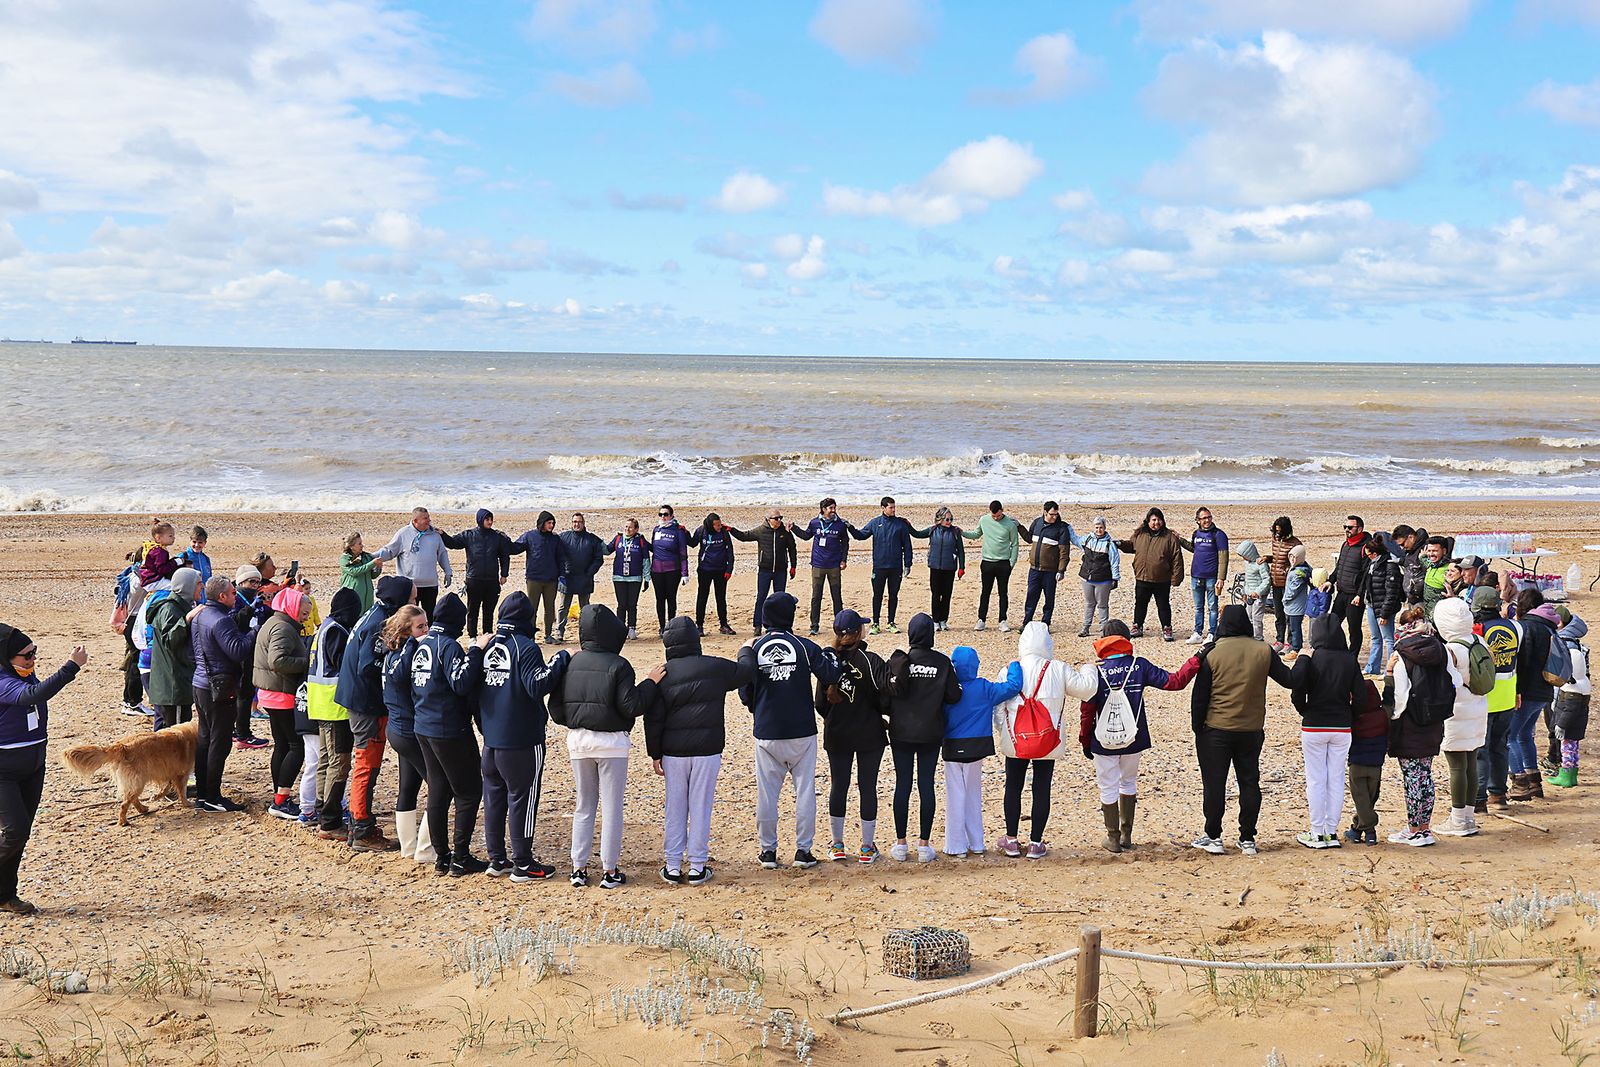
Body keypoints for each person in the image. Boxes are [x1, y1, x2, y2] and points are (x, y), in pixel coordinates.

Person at [640, 615, 751, 884]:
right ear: (694, 640)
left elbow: (652, 718)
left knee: (675, 807)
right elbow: (746, 671)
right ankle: (698, 866)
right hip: (708, 750)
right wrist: (746, 648)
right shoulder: (714, 667)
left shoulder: (662, 675)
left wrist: (654, 753)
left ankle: (673, 865)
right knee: (701, 806)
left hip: (673, 752)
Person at [549, 604, 652, 889]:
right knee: (611, 808)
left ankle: (578, 869)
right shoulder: (619, 665)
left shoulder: (571, 662)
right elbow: (632, 705)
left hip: (579, 743)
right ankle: (609, 870)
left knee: (584, 805)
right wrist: (650, 684)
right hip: (612, 744)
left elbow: (556, 710)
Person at [737, 592, 841, 870]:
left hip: (768, 730)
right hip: (801, 730)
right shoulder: (803, 646)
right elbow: (831, 674)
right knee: (805, 791)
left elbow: (744, 692)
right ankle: (803, 850)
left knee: (767, 795)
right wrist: (830, 653)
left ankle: (768, 851)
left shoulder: (756, 648)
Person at [1081, 620, 1198, 853]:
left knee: (1108, 786)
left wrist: (1085, 740)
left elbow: (1087, 711)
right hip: (1134, 736)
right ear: (1127, 640)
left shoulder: (1095, 671)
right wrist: (1197, 659)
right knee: (1128, 782)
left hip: (1103, 739)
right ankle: (1126, 835)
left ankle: (1112, 838)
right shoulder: (1139, 665)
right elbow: (1175, 682)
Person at [479, 592, 570, 881]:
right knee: (523, 799)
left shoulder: (489, 645)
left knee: (494, 799)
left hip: (492, 739)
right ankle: (523, 862)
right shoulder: (524, 646)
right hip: (521, 740)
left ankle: (497, 859)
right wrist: (560, 660)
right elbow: (536, 685)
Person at [1190, 604, 1293, 855]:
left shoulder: (1213, 652)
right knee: (1249, 782)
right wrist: (1306, 664)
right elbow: (1289, 680)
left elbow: (1199, 697)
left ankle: (1213, 835)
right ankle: (1247, 837)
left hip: (1216, 728)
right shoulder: (1263, 650)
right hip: (1251, 729)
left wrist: (1197, 728)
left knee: (1215, 784)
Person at [0, 624, 86, 914]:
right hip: (4, 771)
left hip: (33, 766)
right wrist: (70, 668)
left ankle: (5, 895)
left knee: (22, 835)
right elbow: (30, 696)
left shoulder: (21, 672)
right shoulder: (2, 680)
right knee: (15, 830)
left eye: (34, 653)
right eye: (26, 656)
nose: (33, 659)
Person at [995, 622, 1096, 858]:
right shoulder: (1057, 668)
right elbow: (1087, 689)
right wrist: (1090, 667)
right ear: (1047, 643)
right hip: (1047, 739)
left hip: (1016, 738)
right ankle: (1035, 843)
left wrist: (1004, 730)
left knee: (1013, 786)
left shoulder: (1011, 668)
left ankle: (1011, 839)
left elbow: (999, 708)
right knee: (1041, 787)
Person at [333, 574, 416, 850]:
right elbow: (368, 666)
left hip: (359, 699)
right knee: (367, 763)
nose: (415, 601)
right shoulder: (379, 624)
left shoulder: (376, 612)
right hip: (365, 704)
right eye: (412, 598)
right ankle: (362, 828)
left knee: (366, 762)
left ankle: (360, 822)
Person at [411, 593, 487, 877]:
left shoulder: (423, 644)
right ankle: (461, 857)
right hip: (448, 729)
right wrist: (476, 652)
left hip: (423, 726)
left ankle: (442, 856)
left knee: (439, 790)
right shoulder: (448, 646)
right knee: (468, 791)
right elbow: (461, 683)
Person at [883, 613, 961, 862]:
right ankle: (924, 845)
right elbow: (953, 696)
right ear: (931, 635)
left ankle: (901, 843)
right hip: (930, 732)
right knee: (926, 784)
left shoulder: (899, 661)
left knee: (902, 784)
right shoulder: (941, 662)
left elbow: (886, 697)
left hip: (902, 732)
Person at [814, 609, 888, 863]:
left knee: (839, 786)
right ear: (858, 632)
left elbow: (820, 703)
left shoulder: (827, 661)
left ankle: (837, 844)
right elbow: (885, 698)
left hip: (838, 732)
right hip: (869, 732)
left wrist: (835, 716)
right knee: (867, 787)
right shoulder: (871, 660)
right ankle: (867, 847)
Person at [1288, 615, 1363, 848]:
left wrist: (1306, 711)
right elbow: (1361, 697)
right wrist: (1350, 716)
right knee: (1336, 779)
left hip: (1314, 725)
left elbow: (1297, 692)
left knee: (1316, 779)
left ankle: (1317, 831)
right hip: (1341, 726)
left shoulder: (1312, 659)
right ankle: (1331, 832)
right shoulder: (1349, 660)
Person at [942, 645, 1021, 857]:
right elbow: (1013, 686)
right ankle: (976, 843)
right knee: (973, 795)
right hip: (976, 747)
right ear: (976, 666)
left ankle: (956, 845)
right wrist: (1014, 665)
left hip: (951, 747)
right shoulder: (984, 688)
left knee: (955, 796)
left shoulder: (949, 689)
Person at [1387, 606, 1452, 846]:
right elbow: (1453, 680)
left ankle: (1415, 830)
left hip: (1410, 721)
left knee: (1412, 777)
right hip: (1434, 720)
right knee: (1425, 775)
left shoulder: (1401, 655)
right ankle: (1424, 828)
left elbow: (1400, 695)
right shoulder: (1441, 649)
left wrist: (1392, 717)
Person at [190, 576, 254, 812]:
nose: (236, 596)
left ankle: (203, 793)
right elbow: (237, 651)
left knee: (205, 739)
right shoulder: (219, 620)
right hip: (218, 687)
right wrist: (253, 632)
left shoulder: (201, 615)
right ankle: (212, 797)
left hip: (201, 683)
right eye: (233, 593)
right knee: (220, 741)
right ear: (222, 596)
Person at [299, 587, 360, 827]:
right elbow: (342, 663)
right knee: (338, 761)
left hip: (320, 704)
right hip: (334, 706)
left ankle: (321, 805)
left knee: (325, 759)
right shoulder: (336, 631)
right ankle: (330, 816)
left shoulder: (324, 628)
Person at [380, 604, 434, 864]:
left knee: (409, 786)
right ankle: (424, 848)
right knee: (439, 785)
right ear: (406, 630)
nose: (427, 630)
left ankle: (409, 847)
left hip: (398, 729)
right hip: (407, 730)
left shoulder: (392, 651)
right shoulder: (406, 653)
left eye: (427, 624)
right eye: (420, 627)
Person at [253, 587, 312, 819]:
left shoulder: (274, 622)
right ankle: (281, 800)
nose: (305, 617)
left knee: (283, 745)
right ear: (292, 608)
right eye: (304, 613)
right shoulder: (283, 628)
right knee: (297, 747)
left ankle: (280, 795)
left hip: (270, 693)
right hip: (282, 694)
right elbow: (278, 661)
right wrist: (308, 662)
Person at [1434, 598, 1489, 838]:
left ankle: (1457, 820)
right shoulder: (1480, 641)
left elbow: (1445, 684)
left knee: (1456, 766)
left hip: (1457, 713)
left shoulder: (1450, 651)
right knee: (1470, 764)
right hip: (1478, 708)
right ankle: (1468, 816)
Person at [1509, 588, 1561, 802]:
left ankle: (1520, 784)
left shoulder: (1525, 627)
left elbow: (1523, 662)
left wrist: (1517, 690)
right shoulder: (1550, 627)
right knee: (1524, 735)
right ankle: (1534, 781)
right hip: (1545, 691)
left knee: (1509, 737)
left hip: (1527, 691)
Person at [1473, 586, 1518, 812]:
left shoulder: (1478, 631)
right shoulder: (1515, 627)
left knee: (1481, 750)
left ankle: (1479, 798)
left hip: (1485, 698)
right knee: (1500, 747)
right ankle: (1498, 795)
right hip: (1508, 697)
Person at [848, 497, 915, 635]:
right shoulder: (875, 523)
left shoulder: (900, 524)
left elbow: (907, 545)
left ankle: (891, 622)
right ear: (883, 508)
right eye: (891, 507)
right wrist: (850, 527)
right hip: (879, 566)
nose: (894, 510)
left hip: (895, 567)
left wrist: (908, 564)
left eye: (894, 507)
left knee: (893, 595)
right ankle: (876, 623)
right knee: (877, 595)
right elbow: (861, 535)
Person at [1116, 507, 1184, 642]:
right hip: (1142, 577)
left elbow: (1177, 558)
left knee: (1163, 605)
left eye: (1159, 520)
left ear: (1163, 521)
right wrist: (1119, 544)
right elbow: (1131, 546)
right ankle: (1137, 626)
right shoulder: (1140, 534)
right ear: (1148, 521)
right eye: (1153, 520)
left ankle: (1167, 628)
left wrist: (1176, 578)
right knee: (1140, 604)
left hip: (1162, 579)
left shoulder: (1170, 537)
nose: (1156, 523)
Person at [148, 567, 203, 731]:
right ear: (187, 586)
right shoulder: (170, 609)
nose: (203, 587)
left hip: (175, 682)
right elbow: (170, 641)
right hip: (173, 685)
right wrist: (186, 620)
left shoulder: (181, 605)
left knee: (165, 731)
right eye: (199, 584)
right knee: (174, 733)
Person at [962, 500, 1029, 633]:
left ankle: (1002, 620)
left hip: (1004, 563)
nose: (996, 518)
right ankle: (981, 619)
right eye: (994, 516)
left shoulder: (1010, 524)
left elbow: (1015, 544)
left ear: (1002, 510)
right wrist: (962, 532)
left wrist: (1012, 562)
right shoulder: (984, 520)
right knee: (985, 592)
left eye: (998, 516)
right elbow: (976, 534)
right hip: (987, 562)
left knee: (1003, 593)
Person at [729, 509, 797, 635]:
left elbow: (792, 548)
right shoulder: (761, 530)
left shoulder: (785, 532)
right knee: (761, 597)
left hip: (780, 570)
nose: (779, 520)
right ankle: (757, 625)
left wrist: (793, 566)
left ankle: (780, 625)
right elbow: (744, 536)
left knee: (780, 598)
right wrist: (732, 530)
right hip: (765, 570)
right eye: (776, 518)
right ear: (768, 519)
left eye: (780, 518)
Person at [376, 507, 454, 616]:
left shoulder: (435, 534)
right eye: (425, 518)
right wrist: (372, 557)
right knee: (410, 619)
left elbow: (442, 554)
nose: (429, 520)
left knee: (429, 618)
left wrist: (448, 572)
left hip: (430, 585)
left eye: (428, 517)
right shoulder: (403, 533)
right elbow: (389, 551)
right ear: (415, 521)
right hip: (409, 586)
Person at [792, 498, 852, 637]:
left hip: (834, 565)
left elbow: (845, 543)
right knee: (816, 596)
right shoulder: (814, 523)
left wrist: (843, 560)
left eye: (834, 508)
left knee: (836, 596)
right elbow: (806, 536)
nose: (833, 510)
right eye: (830, 508)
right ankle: (814, 625)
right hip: (818, 565)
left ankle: (839, 626)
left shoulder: (840, 524)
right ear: (823, 509)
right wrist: (794, 528)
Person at [451, 510, 513, 639]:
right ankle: (472, 636)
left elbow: (504, 556)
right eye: (487, 519)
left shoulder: (497, 537)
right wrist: (442, 534)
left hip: (491, 580)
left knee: (489, 610)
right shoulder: (469, 535)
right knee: (472, 610)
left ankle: (487, 635)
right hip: (474, 579)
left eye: (491, 519)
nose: (490, 522)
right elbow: (453, 544)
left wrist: (504, 574)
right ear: (480, 520)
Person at [1548, 609, 1590, 789]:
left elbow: (1569, 709)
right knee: (1572, 750)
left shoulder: (1571, 689)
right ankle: (1570, 774)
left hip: (1569, 727)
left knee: (1568, 750)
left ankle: (1566, 775)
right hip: (1576, 726)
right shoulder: (1584, 685)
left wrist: (1560, 725)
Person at [1343, 675, 1386, 845]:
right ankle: (1356, 830)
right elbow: (1389, 698)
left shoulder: (1354, 717)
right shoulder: (1383, 715)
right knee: (1369, 799)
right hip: (1376, 764)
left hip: (1357, 763)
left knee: (1361, 800)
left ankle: (1370, 831)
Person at [1019, 502, 1074, 632]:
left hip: (1050, 571)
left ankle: (1045, 623)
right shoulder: (1036, 523)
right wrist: (1019, 527)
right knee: (1031, 596)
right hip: (1034, 569)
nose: (1054, 517)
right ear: (1045, 512)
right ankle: (1026, 622)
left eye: (1056, 514)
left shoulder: (1061, 529)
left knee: (1049, 598)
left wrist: (1061, 570)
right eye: (1052, 514)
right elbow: (1029, 538)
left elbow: (1064, 552)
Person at [512, 511, 566, 643]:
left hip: (551, 580)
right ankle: (530, 636)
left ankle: (548, 635)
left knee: (549, 608)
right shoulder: (530, 536)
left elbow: (561, 558)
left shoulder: (555, 539)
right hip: (534, 579)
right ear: (542, 523)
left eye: (553, 523)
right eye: (549, 523)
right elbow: (515, 548)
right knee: (532, 608)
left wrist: (562, 576)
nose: (551, 525)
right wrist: (504, 542)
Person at [1322, 515, 1370, 660]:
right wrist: (1331, 580)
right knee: (1333, 624)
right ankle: (1336, 651)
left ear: (1360, 529)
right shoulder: (1345, 544)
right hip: (1341, 592)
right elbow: (1339, 567)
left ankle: (1352, 657)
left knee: (1354, 629)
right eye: (1345, 527)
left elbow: (1366, 575)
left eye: (1350, 527)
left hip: (1355, 595)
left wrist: (1360, 595)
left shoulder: (1365, 547)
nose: (1347, 530)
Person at [1179, 507, 1229, 644]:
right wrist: (1179, 539)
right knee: (1198, 607)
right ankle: (1198, 633)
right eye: (1203, 518)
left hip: (1212, 577)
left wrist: (1221, 578)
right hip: (1196, 575)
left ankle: (1212, 633)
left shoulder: (1219, 535)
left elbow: (1224, 557)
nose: (1207, 520)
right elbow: (1193, 548)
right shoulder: (1196, 534)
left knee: (1212, 607)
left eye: (1209, 517)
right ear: (1198, 520)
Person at [911, 507, 966, 631]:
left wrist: (961, 567)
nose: (949, 521)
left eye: (951, 519)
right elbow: (917, 534)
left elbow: (961, 551)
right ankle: (935, 620)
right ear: (940, 519)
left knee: (946, 595)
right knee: (936, 595)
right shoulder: (932, 530)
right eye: (947, 519)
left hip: (949, 567)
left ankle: (943, 620)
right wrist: (908, 525)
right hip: (935, 567)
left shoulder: (955, 532)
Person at [556, 513, 606, 643]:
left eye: (579, 522)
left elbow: (598, 559)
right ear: (572, 523)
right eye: (574, 522)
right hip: (567, 577)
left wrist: (590, 572)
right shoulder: (563, 537)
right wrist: (561, 572)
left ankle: (586, 633)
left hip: (585, 577)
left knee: (585, 609)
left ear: (583, 523)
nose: (576, 524)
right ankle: (559, 632)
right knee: (563, 607)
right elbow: (556, 555)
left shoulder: (592, 539)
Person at [689, 513, 737, 636]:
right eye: (717, 525)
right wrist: (683, 532)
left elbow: (730, 551)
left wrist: (729, 569)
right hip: (704, 569)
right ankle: (699, 625)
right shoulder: (701, 530)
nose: (719, 527)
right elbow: (692, 543)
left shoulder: (724, 532)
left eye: (720, 524)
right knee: (702, 597)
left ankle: (724, 625)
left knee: (721, 597)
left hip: (721, 570)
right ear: (711, 525)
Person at [1073, 516, 1121, 639]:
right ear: (1094, 528)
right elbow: (1074, 540)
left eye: (1101, 527)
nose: (1099, 530)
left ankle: (1103, 630)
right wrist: (1067, 527)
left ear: (1105, 528)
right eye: (1097, 527)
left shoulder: (1110, 544)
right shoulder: (1088, 539)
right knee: (1089, 604)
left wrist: (1115, 579)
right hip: (1086, 578)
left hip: (1103, 580)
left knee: (1102, 605)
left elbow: (1114, 562)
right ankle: (1085, 628)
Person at [1360, 538, 1403, 677]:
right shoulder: (1373, 564)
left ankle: (1390, 670)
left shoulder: (1390, 566)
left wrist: (1384, 614)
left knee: (1389, 639)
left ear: (1374, 553)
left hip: (1383, 607)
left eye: (1369, 554)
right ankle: (1372, 667)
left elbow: (1391, 593)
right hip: (1372, 604)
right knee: (1375, 638)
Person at [604, 519, 651, 639]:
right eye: (626, 526)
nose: (627, 529)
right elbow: (607, 550)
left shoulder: (640, 540)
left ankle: (631, 628)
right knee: (621, 604)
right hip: (619, 577)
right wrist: (595, 542)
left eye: (630, 527)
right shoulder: (618, 538)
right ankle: (620, 628)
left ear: (636, 529)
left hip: (635, 577)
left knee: (632, 604)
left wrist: (647, 578)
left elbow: (646, 560)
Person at [648, 505, 692, 633]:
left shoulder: (678, 531)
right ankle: (662, 627)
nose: (663, 517)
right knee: (659, 599)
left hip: (673, 570)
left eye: (666, 514)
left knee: (671, 598)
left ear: (671, 516)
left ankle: (671, 625)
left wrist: (685, 573)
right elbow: (654, 549)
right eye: (660, 514)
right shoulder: (656, 530)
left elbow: (683, 553)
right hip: (656, 571)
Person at [1266, 517, 1301, 652]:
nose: (1277, 534)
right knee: (1278, 614)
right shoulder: (1275, 540)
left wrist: (1288, 570)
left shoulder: (1295, 543)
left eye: (1280, 531)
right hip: (1275, 582)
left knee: (1289, 615)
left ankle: (1290, 642)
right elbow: (1276, 558)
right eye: (1275, 531)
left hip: (1287, 583)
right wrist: (1267, 559)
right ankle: (1279, 640)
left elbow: (1298, 562)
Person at [339, 532, 384, 614]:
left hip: (367, 598)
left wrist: (378, 567)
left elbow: (373, 576)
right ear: (351, 546)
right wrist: (372, 563)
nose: (362, 546)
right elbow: (354, 572)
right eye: (359, 544)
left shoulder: (366, 557)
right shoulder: (344, 559)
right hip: (353, 597)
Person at [1236, 542, 1271, 641]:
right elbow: (1247, 579)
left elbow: (1267, 580)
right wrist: (1244, 592)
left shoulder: (1261, 564)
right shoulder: (1247, 563)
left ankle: (1258, 638)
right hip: (1249, 595)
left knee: (1257, 618)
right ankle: (1250, 636)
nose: (1244, 558)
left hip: (1258, 596)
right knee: (1248, 617)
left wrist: (1258, 592)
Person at [1281, 545, 1312, 653]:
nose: (1292, 560)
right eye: (1291, 557)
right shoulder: (1301, 568)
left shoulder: (1299, 573)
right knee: (1292, 626)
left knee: (1295, 628)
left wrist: (1285, 599)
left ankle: (1296, 648)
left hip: (1295, 605)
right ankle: (1292, 645)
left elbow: (1293, 590)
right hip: (1292, 606)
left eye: (1295, 558)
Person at [136, 521, 180, 588]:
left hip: (148, 578)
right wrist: (176, 562)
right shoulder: (159, 552)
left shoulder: (154, 548)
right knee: (176, 587)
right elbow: (161, 569)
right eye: (170, 536)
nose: (173, 538)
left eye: (173, 536)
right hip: (153, 580)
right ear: (158, 538)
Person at [1419, 536, 1452, 618]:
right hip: (1428, 615)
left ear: (1444, 551)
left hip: (1441, 618)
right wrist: (1422, 556)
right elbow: (1424, 561)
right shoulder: (1431, 565)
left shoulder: (1449, 570)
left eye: (1435, 551)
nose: (1431, 554)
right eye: (1429, 551)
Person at [176, 526, 213, 595]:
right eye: (194, 542)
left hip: (204, 599)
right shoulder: (182, 557)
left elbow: (209, 581)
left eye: (200, 542)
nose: (196, 545)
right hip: (189, 599)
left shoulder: (206, 559)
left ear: (205, 543)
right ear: (190, 541)